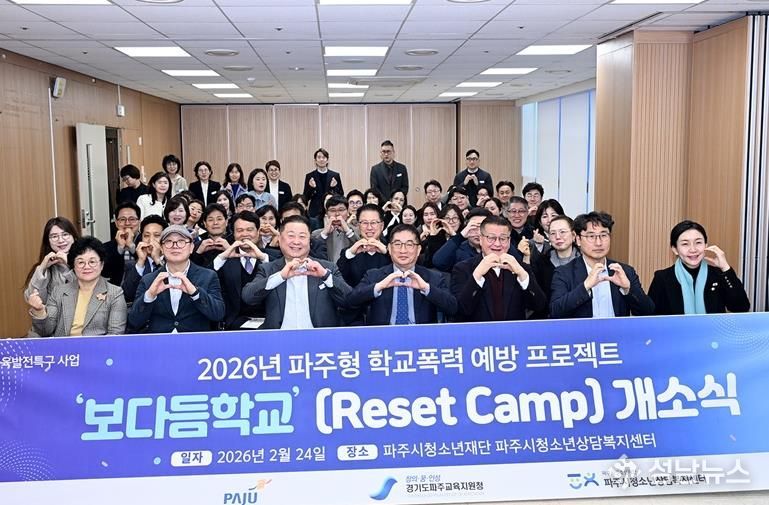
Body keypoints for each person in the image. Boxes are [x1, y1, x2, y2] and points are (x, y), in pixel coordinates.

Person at [242, 215, 351, 329]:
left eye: (302, 236)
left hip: (319, 337)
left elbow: (348, 300)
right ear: (279, 239)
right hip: (279, 337)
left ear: (309, 240)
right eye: (291, 236)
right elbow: (248, 297)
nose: (296, 242)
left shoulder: (327, 268)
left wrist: (325, 276)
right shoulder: (268, 269)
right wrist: (280, 276)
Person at [550, 211, 655, 319]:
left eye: (603, 235)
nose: (598, 243)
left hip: (617, 330)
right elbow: (555, 312)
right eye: (591, 236)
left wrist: (628, 288)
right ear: (578, 240)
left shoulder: (625, 271)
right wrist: (585, 287)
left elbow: (648, 311)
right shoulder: (564, 273)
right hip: (582, 330)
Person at [348, 224, 457, 325]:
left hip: (421, 337)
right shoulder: (374, 275)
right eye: (397, 244)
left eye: (409, 244)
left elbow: (453, 308)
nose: (403, 250)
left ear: (418, 250)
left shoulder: (433, 277)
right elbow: (350, 301)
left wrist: (426, 288)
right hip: (383, 337)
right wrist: (379, 287)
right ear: (389, 249)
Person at [129, 225, 225, 333]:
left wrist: (195, 293)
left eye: (181, 241)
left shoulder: (208, 276)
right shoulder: (148, 280)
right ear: (162, 248)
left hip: (194, 340)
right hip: (159, 341)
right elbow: (133, 321)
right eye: (169, 242)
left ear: (191, 247)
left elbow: (218, 314)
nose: (175, 246)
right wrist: (149, 296)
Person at [451, 216, 546, 322]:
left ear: (509, 241)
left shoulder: (520, 268)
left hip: (513, 331)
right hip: (479, 331)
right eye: (491, 238)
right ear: (481, 239)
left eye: (503, 238)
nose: (497, 244)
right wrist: (477, 275)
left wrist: (522, 275)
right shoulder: (463, 269)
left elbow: (539, 306)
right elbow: (461, 310)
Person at [28, 237, 127, 337]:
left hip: (98, 347)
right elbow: (45, 331)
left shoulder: (115, 293)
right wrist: (39, 311)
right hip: (64, 346)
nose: (86, 267)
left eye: (92, 262)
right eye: (80, 262)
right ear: (73, 266)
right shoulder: (59, 292)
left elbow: (115, 334)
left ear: (101, 265)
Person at [648, 220, 750, 315]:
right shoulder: (662, 278)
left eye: (698, 242)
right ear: (675, 249)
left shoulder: (717, 274)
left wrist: (725, 268)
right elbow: (651, 318)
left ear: (706, 245)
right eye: (685, 244)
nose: (693, 249)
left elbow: (741, 307)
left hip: (713, 329)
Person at [214, 211, 273, 330]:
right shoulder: (224, 260)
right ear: (234, 234)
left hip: (269, 323)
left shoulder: (271, 257)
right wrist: (222, 257)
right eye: (240, 230)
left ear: (258, 231)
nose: (245, 234)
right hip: (234, 326)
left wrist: (263, 258)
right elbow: (206, 280)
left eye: (249, 230)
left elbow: (281, 275)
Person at [24, 217, 80, 334]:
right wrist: (42, 268)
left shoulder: (88, 265)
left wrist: (69, 265)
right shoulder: (43, 268)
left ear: (74, 237)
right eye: (54, 236)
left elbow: (85, 293)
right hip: (48, 329)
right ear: (48, 241)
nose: (61, 240)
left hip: (76, 328)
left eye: (65, 234)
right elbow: (31, 298)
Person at [337, 204, 389, 287]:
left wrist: (388, 252)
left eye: (373, 223)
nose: (369, 227)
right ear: (358, 225)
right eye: (365, 223)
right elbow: (338, 280)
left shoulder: (391, 250)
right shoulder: (349, 252)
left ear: (382, 226)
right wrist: (350, 254)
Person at [120, 215, 167, 304]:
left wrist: (157, 260)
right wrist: (140, 262)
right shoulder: (132, 265)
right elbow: (126, 296)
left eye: (156, 235)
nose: (150, 240)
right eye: (146, 236)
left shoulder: (174, 262)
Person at [432, 208, 492, 272]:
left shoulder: (496, 247)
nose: (479, 232)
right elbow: (438, 262)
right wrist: (461, 235)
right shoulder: (458, 249)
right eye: (473, 227)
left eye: (482, 228)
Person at [311, 196, 359, 263]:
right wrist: (324, 234)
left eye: (341, 210)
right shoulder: (316, 234)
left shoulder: (358, 231)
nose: (337, 214)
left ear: (348, 211)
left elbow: (361, 247)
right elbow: (312, 251)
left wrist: (348, 231)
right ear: (327, 213)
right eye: (332, 210)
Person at [103, 201, 141, 286]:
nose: (127, 223)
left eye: (132, 219)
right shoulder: (106, 247)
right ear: (116, 223)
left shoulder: (146, 243)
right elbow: (105, 273)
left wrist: (132, 248)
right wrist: (119, 249)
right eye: (122, 219)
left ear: (139, 222)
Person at [304, 148, 344, 218]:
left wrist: (334, 187)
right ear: (315, 161)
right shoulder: (310, 176)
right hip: (315, 210)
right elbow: (305, 197)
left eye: (324, 157)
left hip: (331, 209)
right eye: (319, 157)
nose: (321, 159)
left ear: (327, 160)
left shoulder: (335, 175)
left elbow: (341, 194)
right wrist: (311, 188)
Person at [420, 204, 462, 269]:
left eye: (455, 218)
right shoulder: (436, 237)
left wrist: (454, 235)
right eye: (447, 218)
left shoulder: (465, 237)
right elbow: (429, 263)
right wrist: (433, 236)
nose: (451, 222)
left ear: (460, 221)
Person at [192, 204, 231, 268]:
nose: (215, 223)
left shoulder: (235, 243)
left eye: (219, 219)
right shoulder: (197, 245)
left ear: (226, 222)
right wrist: (198, 253)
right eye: (210, 220)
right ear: (205, 223)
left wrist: (230, 250)